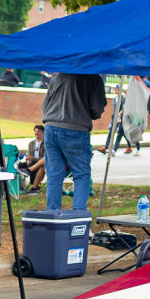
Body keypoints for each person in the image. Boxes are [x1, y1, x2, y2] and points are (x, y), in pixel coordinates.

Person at [38, 72, 107, 211]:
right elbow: (97, 109)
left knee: (54, 175)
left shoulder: (59, 74)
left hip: (51, 126)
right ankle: (78, 217)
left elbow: (45, 106)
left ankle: (52, 216)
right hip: (76, 128)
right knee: (81, 174)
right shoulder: (93, 77)